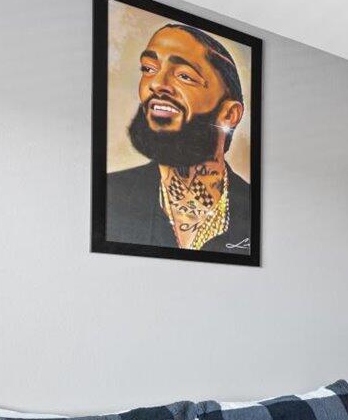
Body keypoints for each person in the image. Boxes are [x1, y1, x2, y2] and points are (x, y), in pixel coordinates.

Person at [105, 23, 252, 254]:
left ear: (229, 115)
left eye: (184, 76)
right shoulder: (111, 194)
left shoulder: (254, 209)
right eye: (149, 69)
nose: (156, 84)